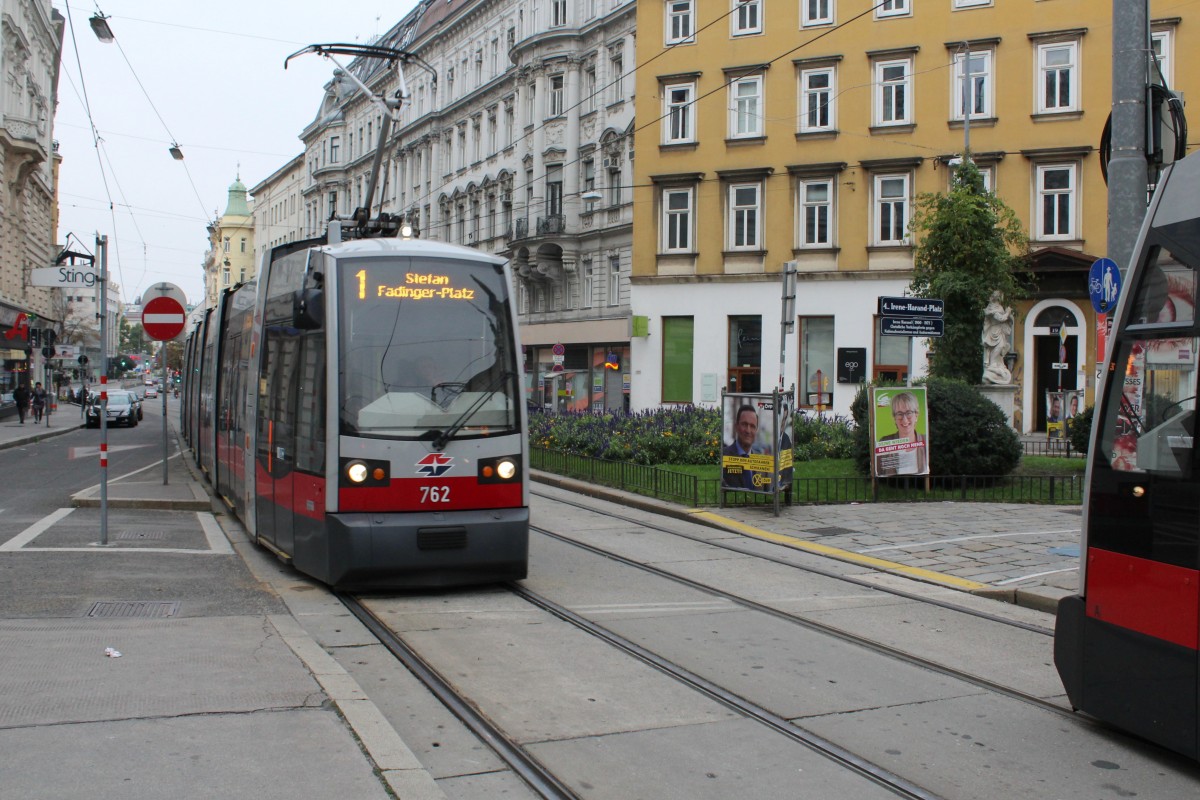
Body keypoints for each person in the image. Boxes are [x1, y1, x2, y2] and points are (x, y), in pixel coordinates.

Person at [875, 391, 928, 477]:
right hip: (891, 488)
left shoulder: (926, 440)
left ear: (916, 416)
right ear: (894, 418)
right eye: (899, 414)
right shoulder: (885, 442)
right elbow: (879, 472)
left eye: (909, 413)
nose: (904, 420)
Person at [722, 404, 767, 489]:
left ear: (756, 430)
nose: (748, 430)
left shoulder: (761, 461)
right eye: (744, 424)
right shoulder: (724, 456)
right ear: (736, 427)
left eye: (752, 426)